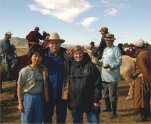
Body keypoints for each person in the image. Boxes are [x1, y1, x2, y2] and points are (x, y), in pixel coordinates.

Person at [68, 45, 102, 124]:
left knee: (94, 122)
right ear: (73, 54)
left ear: (83, 53)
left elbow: (98, 84)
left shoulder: (91, 66)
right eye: (76, 54)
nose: (78, 56)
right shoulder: (70, 66)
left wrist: (96, 100)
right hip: (75, 101)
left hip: (90, 101)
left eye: (80, 53)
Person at [43, 33, 70, 123]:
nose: (54, 45)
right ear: (48, 44)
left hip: (62, 93)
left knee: (61, 117)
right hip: (47, 93)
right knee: (47, 117)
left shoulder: (66, 57)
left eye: (57, 43)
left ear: (60, 44)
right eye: (52, 43)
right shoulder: (43, 56)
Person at [17, 45, 45, 123]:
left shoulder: (43, 70)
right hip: (27, 98)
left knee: (38, 120)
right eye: (35, 56)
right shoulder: (24, 70)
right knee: (27, 120)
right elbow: (19, 87)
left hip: (39, 98)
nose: (37, 58)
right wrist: (20, 103)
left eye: (39, 56)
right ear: (31, 57)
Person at [99, 33, 122, 119]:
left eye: (109, 40)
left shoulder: (116, 49)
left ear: (112, 40)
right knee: (105, 94)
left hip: (112, 76)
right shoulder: (105, 49)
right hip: (104, 75)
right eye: (106, 40)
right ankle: (108, 108)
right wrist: (99, 62)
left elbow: (119, 61)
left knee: (112, 95)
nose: (107, 41)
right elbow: (103, 60)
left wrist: (110, 65)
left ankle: (114, 112)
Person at [133, 39, 151, 122]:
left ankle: (143, 116)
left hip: (142, 79)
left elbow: (144, 69)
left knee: (140, 98)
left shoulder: (140, 55)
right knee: (146, 98)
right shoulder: (147, 53)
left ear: (137, 47)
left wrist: (149, 80)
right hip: (146, 78)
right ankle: (148, 115)